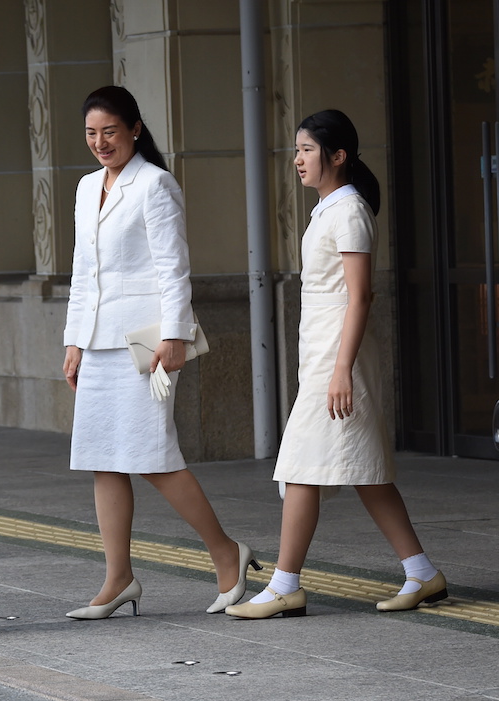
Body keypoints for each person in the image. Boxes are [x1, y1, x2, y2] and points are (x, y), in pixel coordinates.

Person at [228, 109, 446, 620]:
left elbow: (361, 296)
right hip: (326, 352)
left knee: (302, 464)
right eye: (297, 149)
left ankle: (285, 585)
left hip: (337, 357)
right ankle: (422, 572)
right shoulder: (330, 208)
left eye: (306, 149)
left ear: (338, 155)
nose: (297, 159)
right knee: (366, 470)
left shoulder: (348, 211)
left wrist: (342, 369)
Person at [62, 86, 260, 620]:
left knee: (153, 455)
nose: (100, 142)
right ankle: (118, 577)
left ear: (135, 129)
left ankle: (226, 553)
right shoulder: (85, 188)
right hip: (98, 341)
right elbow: (84, 271)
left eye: (109, 131)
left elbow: (173, 266)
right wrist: (74, 339)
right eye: (91, 133)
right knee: (104, 461)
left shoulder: (154, 184)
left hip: (144, 341)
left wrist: (174, 334)